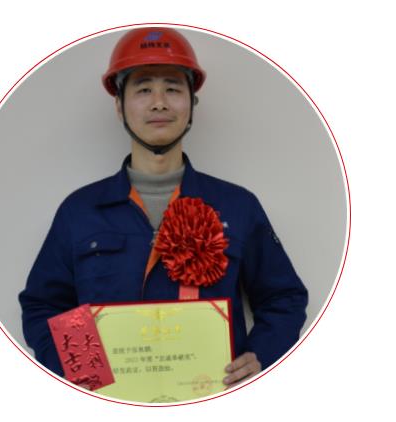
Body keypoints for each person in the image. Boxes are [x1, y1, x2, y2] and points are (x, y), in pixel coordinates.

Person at [18, 27, 308, 390]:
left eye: (172, 88)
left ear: (192, 104)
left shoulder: (237, 207)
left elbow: (284, 298)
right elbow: (43, 306)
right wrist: (82, 371)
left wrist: (261, 353)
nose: (159, 103)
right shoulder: (79, 212)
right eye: (143, 90)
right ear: (119, 106)